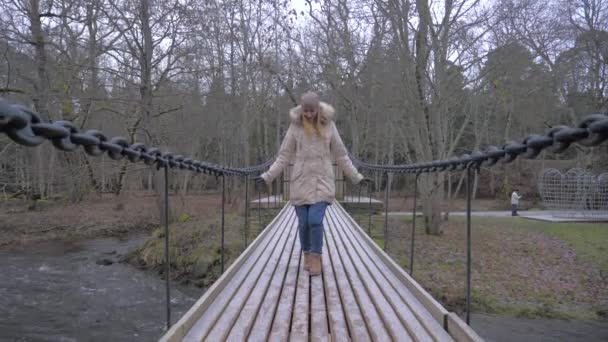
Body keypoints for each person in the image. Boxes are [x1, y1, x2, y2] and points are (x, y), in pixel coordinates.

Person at [255, 91, 371, 276]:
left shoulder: (329, 126)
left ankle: (316, 256)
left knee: (315, 221)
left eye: (312, 111)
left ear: (318, 109)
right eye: (306, 111)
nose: (309, 115)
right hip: (300, 182)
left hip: (322, 181)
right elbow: (284, 156)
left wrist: (357, 177)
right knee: (303, 224)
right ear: (302, 110)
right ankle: (307, 254)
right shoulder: (295, 128)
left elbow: (341, 155)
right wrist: (266, 177)